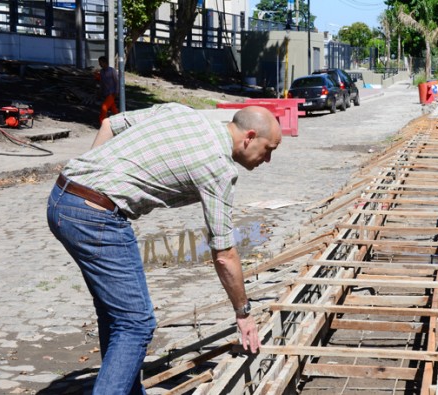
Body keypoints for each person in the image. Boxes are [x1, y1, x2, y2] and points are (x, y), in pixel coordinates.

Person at [47, 103, 282, 394]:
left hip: (62, 196)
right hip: (95, 216)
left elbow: (109, 124)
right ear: (249, 137)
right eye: (269, 148)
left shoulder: (181, 113)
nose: (268, 159)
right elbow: (223, 255)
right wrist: (243, 313)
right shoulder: (219, 168)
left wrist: (89, 178)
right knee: (136, 323)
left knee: (117, 315)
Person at [95, 56, 119, 124]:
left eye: (101, 63)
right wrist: (100, 91)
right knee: (113, 109)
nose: (99, 64)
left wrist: (117, 91)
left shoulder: (112, 70)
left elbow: (116, 81)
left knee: (104, 108)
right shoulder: (102, 72)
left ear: (105, 63)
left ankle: (102, 122)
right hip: (106, 93)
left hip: (112, 93)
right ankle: (119, 120)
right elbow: (101, 82)